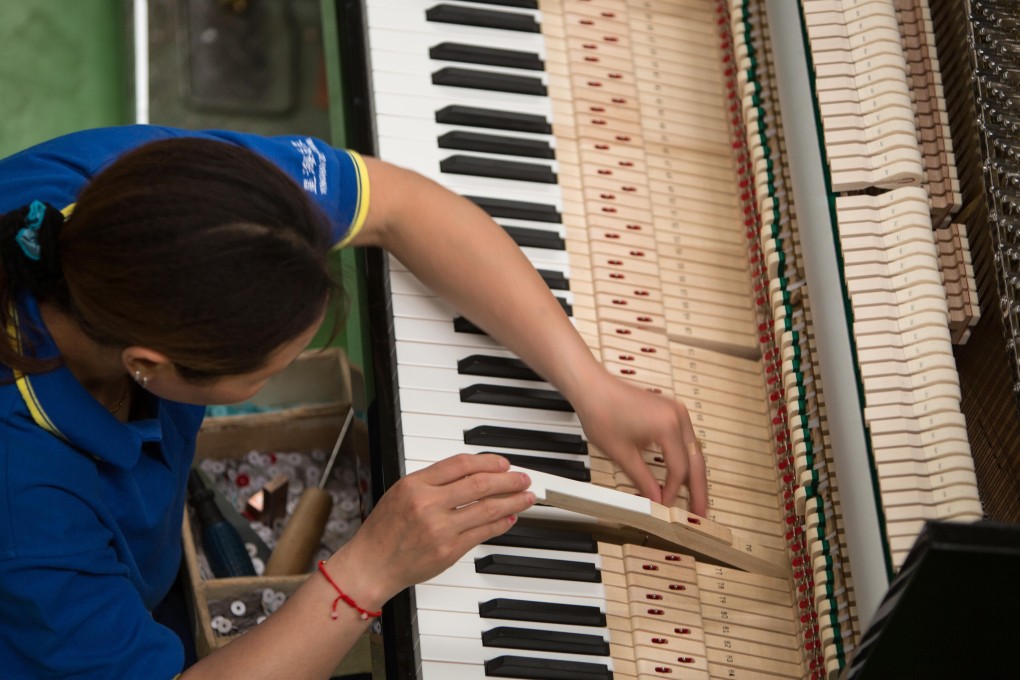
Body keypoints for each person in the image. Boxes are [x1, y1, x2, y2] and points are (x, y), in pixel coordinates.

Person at [0, 125, 709, 679]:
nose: (275, 381)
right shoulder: (30, 508)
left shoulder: (161, 192)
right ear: (148, 366)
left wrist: (590, 384)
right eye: (262, 374)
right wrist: (368, 569)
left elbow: (397, 203)